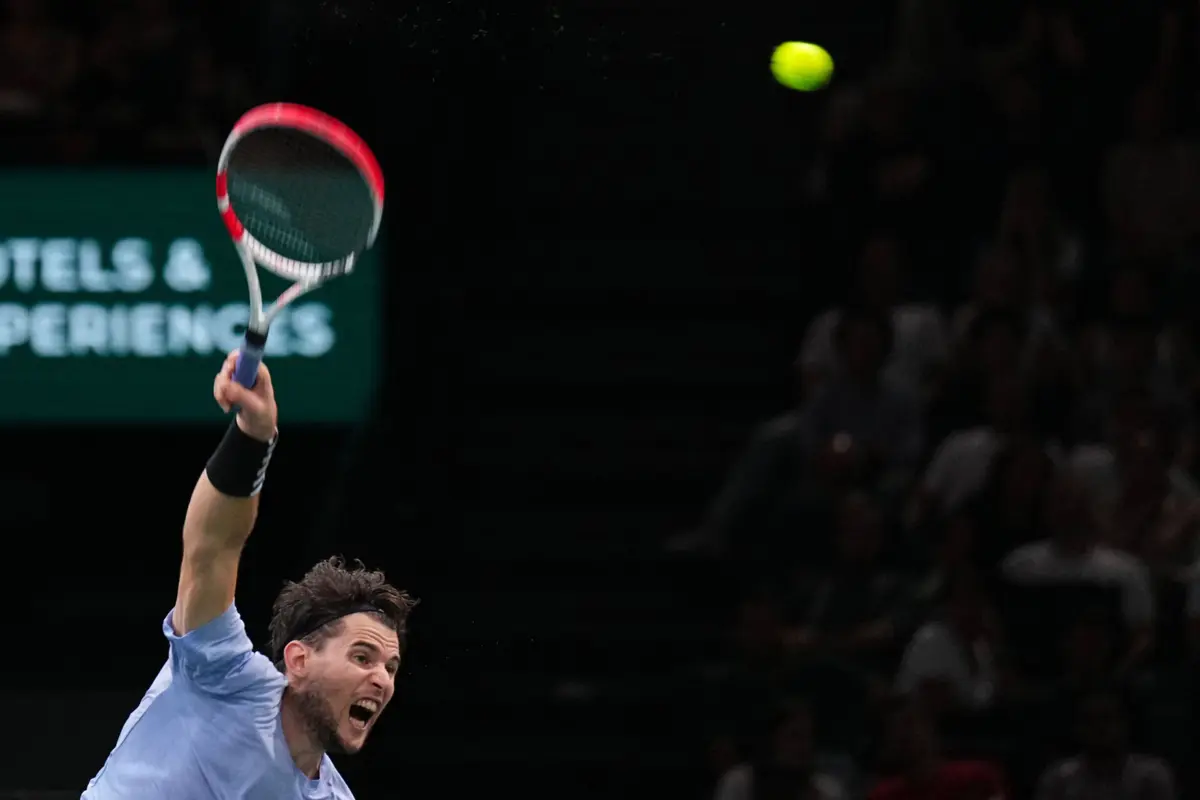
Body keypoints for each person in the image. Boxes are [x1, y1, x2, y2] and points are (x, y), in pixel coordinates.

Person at [82, 351, 418, 799]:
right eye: (363, 657)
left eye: (390, 667)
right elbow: (211, 547)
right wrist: (253, 437)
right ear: (298, 661)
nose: (383, 680)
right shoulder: (221, 673)